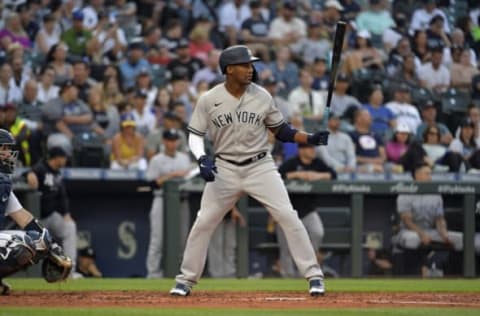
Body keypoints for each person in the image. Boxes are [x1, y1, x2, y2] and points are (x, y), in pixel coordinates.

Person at [169, 45, 329, 297]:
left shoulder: (262, 95)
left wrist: (310, 138)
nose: (250, 69)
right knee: (203, 222)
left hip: (260, 166)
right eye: (245, 65)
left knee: (289, 217)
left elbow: (282, 131)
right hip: (225, 167)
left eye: (251, 64)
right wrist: (201, 158)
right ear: (229, 69)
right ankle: (186, 280)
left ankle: (314, 275)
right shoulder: (209, 98)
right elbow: (195, 135)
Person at [0, 130, 72, 295]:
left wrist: (52, 246)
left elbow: (24, 218)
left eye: (8, 149)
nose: (9, 154)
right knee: (21, 244)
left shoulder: (3, 185)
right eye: (3, 148)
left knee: (39, 240)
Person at [276, 143, 336, 277]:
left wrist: (316, 175)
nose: (313, 151)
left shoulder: (317, 163)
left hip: (309, 210)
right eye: (310, 148)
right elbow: (277, 175)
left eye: (313, 148)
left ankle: (306, 268)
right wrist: (298, 174)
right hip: (288, 211)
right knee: (285, 246)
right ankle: (288, 276)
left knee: (317, 232)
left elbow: (333, 174)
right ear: (301, 150)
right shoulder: (292, 163)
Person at [393, 163, 463, 264]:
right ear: (417, 175)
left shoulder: (435, 193)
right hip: (408, 231)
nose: (430, 177)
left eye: (430, 174)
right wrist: (422, 234)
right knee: (413, 239)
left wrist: (443, 233)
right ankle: (413, 272)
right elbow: (407, 220)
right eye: (427, 174)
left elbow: (439, 218)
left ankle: (453, 272)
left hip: (430, 231)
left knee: (460, 239)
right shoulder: (406, 192)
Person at [145, 129, 191, 279]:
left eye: (174, 140)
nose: (172, 143)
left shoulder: (184, 158)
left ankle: (181, 273)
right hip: (161, 200)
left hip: (182, 201)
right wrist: (172, 175)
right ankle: (153, 274)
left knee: (183, 239)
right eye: (169, 140)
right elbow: (152, 183)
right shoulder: (157, 159)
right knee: (157, 239)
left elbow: (191, 179)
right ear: (164, 141)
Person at [25, 146, 78, 275]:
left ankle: (70, 271)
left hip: (51, 216)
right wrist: (29, 174)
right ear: (57, 158)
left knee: (70, 227)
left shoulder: (57, 173)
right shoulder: (41, 168)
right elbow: (28, 173)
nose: (65, 161)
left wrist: (66, 214)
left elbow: (63, 196)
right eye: (64, 158)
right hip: (36, 219)